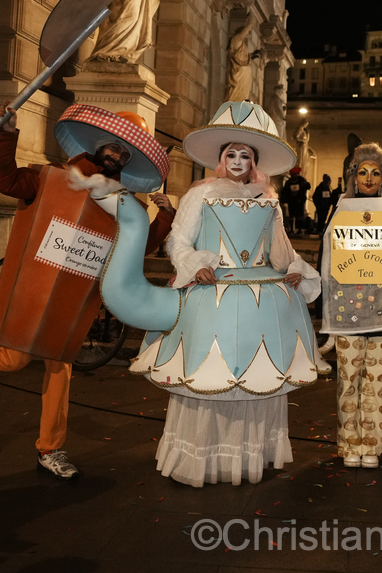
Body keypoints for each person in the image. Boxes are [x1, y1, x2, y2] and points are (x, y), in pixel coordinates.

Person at [0, 104, 173, 479]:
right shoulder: (50, 177)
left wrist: (165, 216)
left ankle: (50, 449)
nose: (117, 155)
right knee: (13, 361)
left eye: (125, 152)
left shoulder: (125, 206)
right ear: (97, 145)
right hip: (30, 291)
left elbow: (143, 247)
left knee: (61, 370)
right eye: (113, 146)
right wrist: (5, 134)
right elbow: (5, 181)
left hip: (74, 300)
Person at [127, 101, 321, 487]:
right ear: (221, 158)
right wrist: (194, 264)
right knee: (208, 374)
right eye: (230, 153)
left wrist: (296, 270)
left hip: (262, 300)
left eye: (244, 154)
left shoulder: (269, 199)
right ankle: (205, 459)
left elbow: (280, 249)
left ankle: (252, 455)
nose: (236, 160)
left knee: (260, 377)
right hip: (211, 294)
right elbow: (178, 240)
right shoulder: (200, 194)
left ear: (254, 161)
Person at [321, 143, 382, 468]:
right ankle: (348, 444)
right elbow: (328, 259)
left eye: (375, 172)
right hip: (348, 313)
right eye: (362, 172)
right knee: (348, 381)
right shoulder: (342, 209)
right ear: (353, 177)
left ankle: (371, 444)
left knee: (377, 383)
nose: (368, 179)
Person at [282, 165, 311, 235]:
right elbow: (285, 191)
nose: (294, 176)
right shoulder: (288, 182)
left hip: (300, 201)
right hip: (292, 201)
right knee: (291, 215)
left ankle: (300, 229)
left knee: (300, 216)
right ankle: (291, 229)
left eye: (295, 174)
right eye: (293, 174)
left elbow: (308, 186)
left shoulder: (301, 180)